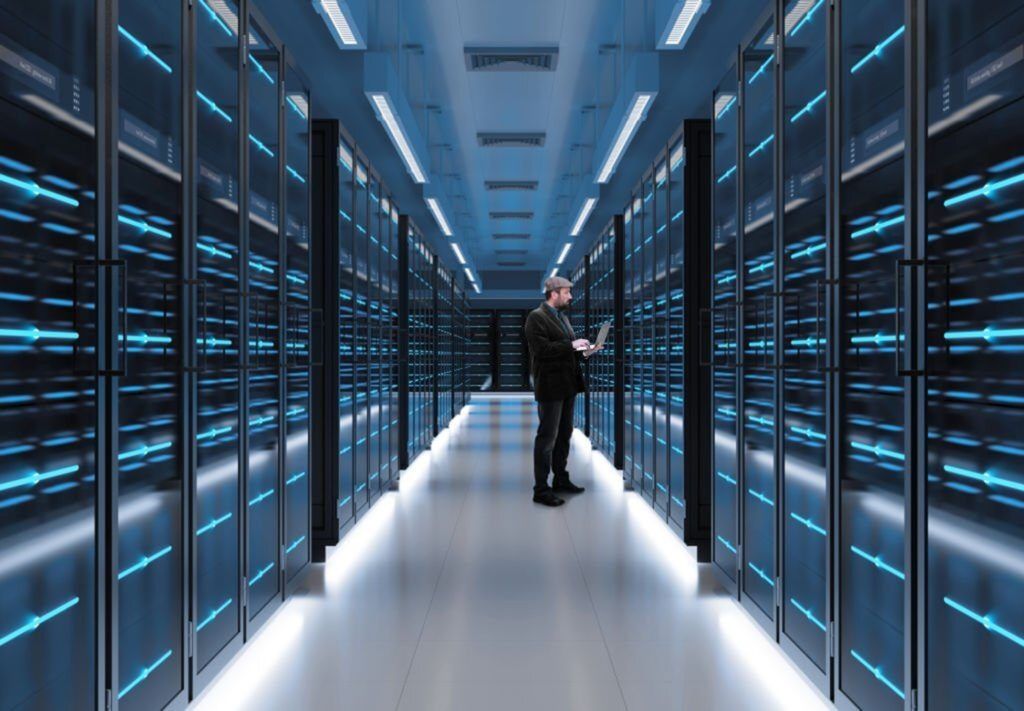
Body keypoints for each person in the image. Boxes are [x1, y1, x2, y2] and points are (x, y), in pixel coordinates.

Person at [524, 276, 601, 507]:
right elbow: (542, 350)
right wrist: (571, 345)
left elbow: (568, 350)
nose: (570, 297)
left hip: (568, 384)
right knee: (547, 437)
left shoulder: (562, 318)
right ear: (554, 293)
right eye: (567, 292)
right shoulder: (536, 317)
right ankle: (541, 489)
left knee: (564, 435)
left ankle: (561, 478)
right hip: (550, 386)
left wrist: (586, 351)